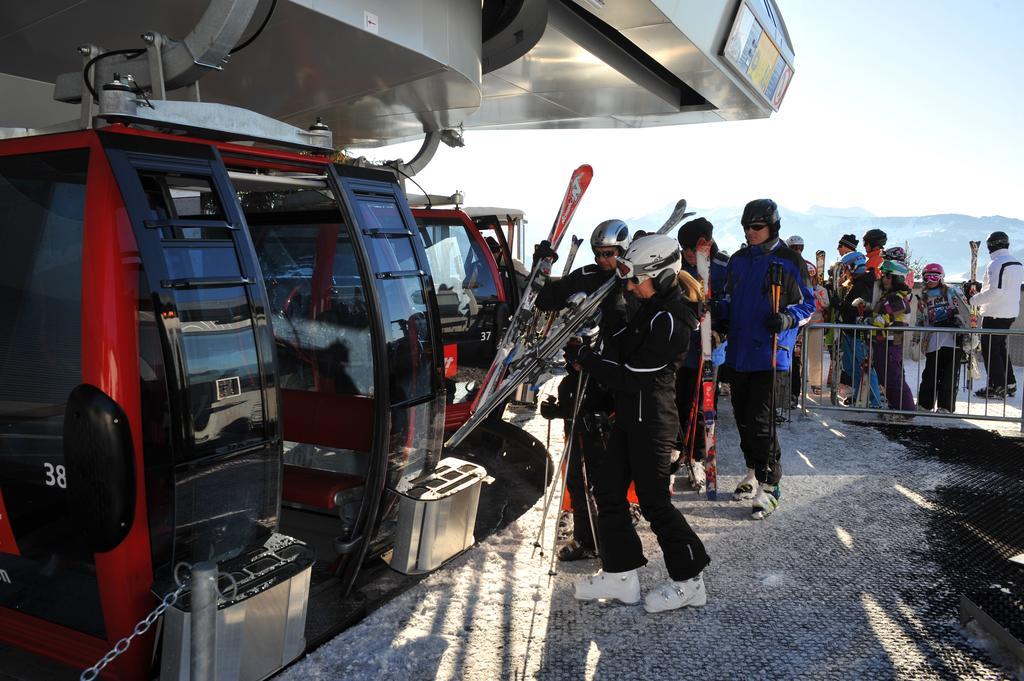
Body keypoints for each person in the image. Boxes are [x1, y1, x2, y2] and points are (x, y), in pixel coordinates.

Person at [571, 234, 710, 612]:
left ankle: (690, 580)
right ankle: (621, 575)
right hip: (630, 416)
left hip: (652, 420)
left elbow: (632, 373)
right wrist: (606, 317)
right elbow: (622, 345)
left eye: (636, 280)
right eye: (627, 279)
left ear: (662, 276)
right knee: (609, 491)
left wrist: (589, 358)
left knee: (654, 503)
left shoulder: (672, 318)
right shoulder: (650, 308)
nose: (630, 286)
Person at [536, 219, 630, 561]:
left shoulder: (630, 284)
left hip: (609, 384)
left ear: (622, 251)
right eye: (600, 253)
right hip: (578, 381)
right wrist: (541, 267)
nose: (604, 259)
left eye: (610, 254)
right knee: (576, 470)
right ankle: (586, 538)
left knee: (605, 473)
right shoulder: (586, 277)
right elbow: (546, 300)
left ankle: (614, 538)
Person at [719, 199, 815, 519]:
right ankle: (751, 471)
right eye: (747, 227)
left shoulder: (789, 261)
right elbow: (729, 300)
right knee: (743, 420)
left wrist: (787, 319)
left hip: (772, 354)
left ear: (772, 226)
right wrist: (717, 319)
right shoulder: (738, 260)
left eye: (757, 227)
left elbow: (807, 305)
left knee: (762, 423)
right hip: (739, 353)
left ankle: (770, 484)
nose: (751, 232)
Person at [674, 218, 728, 493]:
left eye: (692, 248)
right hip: (681, 351)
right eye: (684, 248)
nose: (687, 253)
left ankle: (697, 457)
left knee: (705, 409)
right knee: (677, 404)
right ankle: (675, 455)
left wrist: (721, 328)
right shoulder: (678, 269)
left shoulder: (723, 269)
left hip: (709, 353)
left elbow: (733, 307)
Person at [969, 231, 1023, 398]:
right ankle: (1009, 383)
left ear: (990, 245)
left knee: (990, 351)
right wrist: (980, 287)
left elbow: (996, 292)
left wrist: (974, 299)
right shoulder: (1017, 263)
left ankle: (997, 386)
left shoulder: (997, 264)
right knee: (999, 348)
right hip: (1010, 312)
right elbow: (1003, 288)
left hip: (995, 313)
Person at [836, 251, 884, 408]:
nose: (845, 272)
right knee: (854, 367)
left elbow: (858, 308)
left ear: (853, 266)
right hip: (850, 331)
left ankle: (874, 401)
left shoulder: (866, 283)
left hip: (860, 332)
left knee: (865, 367)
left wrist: (841, 305)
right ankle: (859, 396)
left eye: (846, 268)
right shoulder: (857, 282)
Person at [917, 263, 967, 413]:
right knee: (931, 372)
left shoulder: (952, 291)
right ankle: (925, 404)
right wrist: (916, 338)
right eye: (927, 277)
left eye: (934, 277)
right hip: (934, 338)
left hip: (953, 338)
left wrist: (961, 325)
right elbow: (920, 319)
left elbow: (965, 310)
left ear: (941, 278)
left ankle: (946, 406)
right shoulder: (923, 296)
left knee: (950, 375)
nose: (930, 280)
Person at [870, 259, 915, 414]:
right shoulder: (889, 296)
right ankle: (896, 408)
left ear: (898, 278)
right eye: (883, 275)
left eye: (888, 276)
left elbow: (885, 319)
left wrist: (870, 321)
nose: (884, 279)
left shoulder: (897, 297)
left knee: (893, 379)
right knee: (886, 378)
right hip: (885, 342)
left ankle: (906, 411)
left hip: (891, 342)